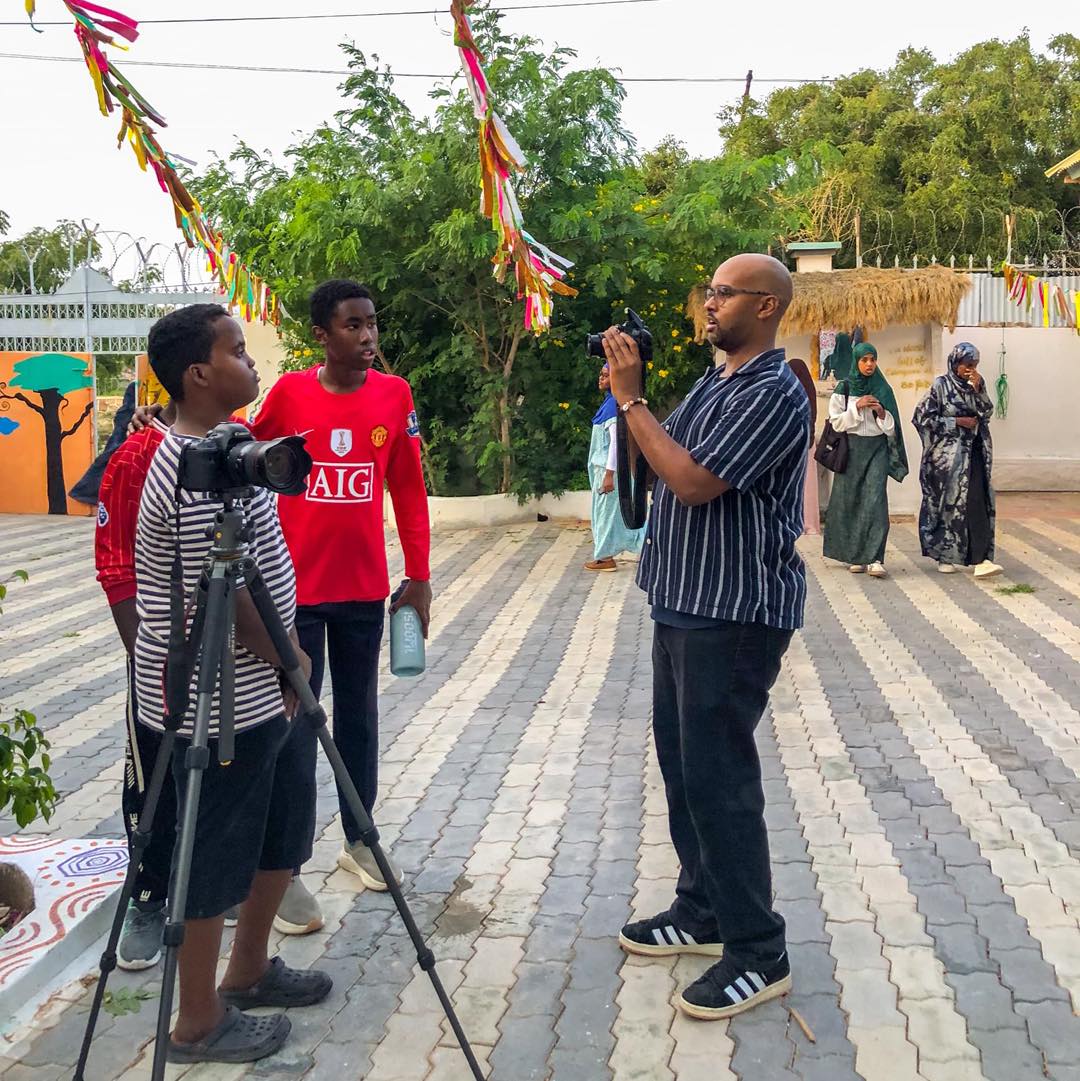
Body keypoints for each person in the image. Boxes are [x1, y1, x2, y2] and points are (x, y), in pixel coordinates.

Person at [605, 253, 809, 1020]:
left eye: (723, 293)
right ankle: (702, 909)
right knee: (685, 769)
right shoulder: (716, 381)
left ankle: (760, 950)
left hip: (734, 613)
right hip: (682, 601)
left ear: (764, 306)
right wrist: (629, 404)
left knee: (720, 781)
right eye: (710, 292)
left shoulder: (773, 392)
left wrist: (632, 403)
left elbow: (692, 481)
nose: (709, 303)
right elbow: (657, 467)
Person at [137, 304, 330, 1063]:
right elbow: (229, 598)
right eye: (239, 352)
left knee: (281, 828)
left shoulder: (227, 448)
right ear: (198, 374)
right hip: (214, 712)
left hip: (264, 698)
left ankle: (248, 971)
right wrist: (290, 660)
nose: (253, 364)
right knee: (212, 859)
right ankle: (196, 1020)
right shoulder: (183, 473)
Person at [250, 280, 431, 899]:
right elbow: (247, 450)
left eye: (372, 324)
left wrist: (420, 575)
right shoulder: (290, 393)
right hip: (293, 593)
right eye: (352, 326)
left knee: (360, 718)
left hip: (363, 592)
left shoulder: (394, 395)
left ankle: (360, 839)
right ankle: (285, 869)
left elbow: (407, 487)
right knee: (296, 723)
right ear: (322, 336)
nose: (368, 337)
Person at [94, 396, 177, 970]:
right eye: (237, 353)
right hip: (161, 654)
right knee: (152, 772)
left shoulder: (243, 446)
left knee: (238, 769)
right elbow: (115, 563)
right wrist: (145, 654)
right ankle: (149, 895)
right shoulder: (135, 456)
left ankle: (226, 884)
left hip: (240, 652)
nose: (250, 367)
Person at [913, 342, 1002, 578]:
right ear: (955, 363)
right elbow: (922, 418)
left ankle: (981, 558)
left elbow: (986, 413)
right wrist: (956, 422)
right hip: (946, 461)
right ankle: (945, 555)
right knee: (947, 507)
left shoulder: (975, 387)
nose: (969, 370)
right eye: (966, 365)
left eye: (974, 365)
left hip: (973, 455)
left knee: (977, 501)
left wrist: (979, 389)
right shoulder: (940, 386)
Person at [821, 339, 908, 577]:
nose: (869, 365)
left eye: (873, 360)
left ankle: (875, 557)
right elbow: (836, 423)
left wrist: (881, 413)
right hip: (851, 449)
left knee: (875, 501)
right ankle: (855, 555)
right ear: (856, 361)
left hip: (877, 449)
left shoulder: (883, 388)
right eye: (864, 360)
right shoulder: (844, 389)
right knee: (850, 500)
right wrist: (857, 407)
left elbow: (892, 429)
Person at [585, 362, 645, 571]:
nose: (601, 379)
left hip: (609, 470)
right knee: (616, 512)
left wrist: (609, 475)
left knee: (606, 514)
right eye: (601, 375)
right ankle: (642, 549)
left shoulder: (612, 406)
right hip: (605, 469)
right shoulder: (609, 403)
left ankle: (605, 557)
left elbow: (615, 444)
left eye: (605, 375)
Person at [788, 357, 820, 535]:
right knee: (808, 485)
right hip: (807, 440)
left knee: (803, 485)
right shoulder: (808, 391)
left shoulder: (791, 390)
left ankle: (804, 523)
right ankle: (810, 525)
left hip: (801, 442)